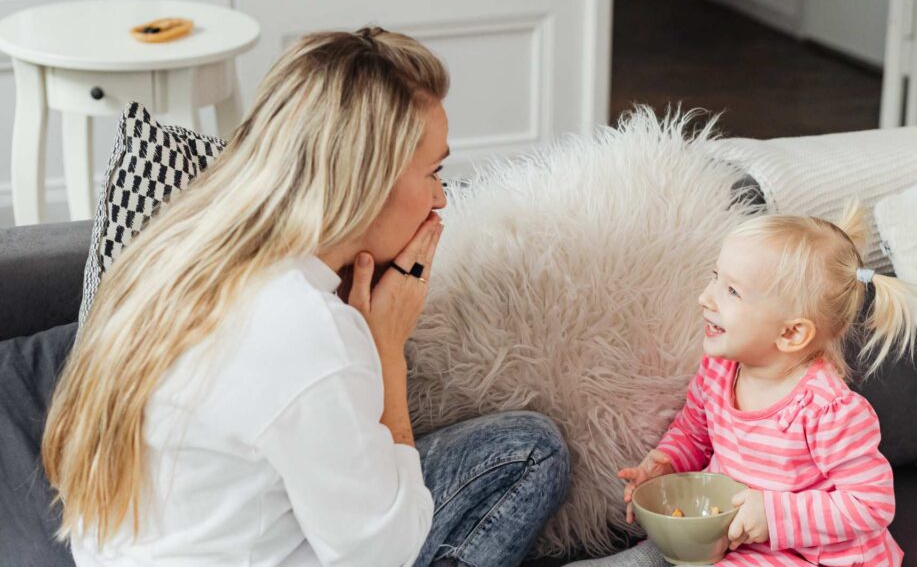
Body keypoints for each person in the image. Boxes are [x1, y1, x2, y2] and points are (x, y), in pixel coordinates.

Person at [42, 28, 569, 567]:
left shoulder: (176, 247)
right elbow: (384, 554)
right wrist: (385, 350)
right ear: (368, 181)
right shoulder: (304, 329)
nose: (440, 198)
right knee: (530, 452)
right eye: (434, 172)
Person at [570, 203, 917, 566]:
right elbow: (694, 433)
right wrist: (667, 462)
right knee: (655, 551)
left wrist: (772, 515)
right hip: (723, 535)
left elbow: (871, 504)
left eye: (732, 291)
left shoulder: (827, 411)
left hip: (801, 553)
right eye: (715, 276)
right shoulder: (719, 371)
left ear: (791, 332)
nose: (705, 297)